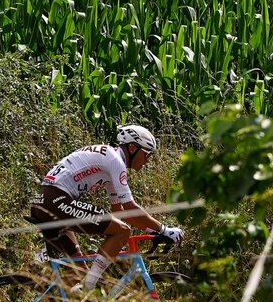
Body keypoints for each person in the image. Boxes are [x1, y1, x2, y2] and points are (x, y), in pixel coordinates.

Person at [27, 124, 184, 291]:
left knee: (79, 271)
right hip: (56, 201)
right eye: (147, 154)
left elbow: (121, 213)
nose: (148, 160)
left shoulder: (110, 162)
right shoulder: (115, 161)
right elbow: (130, 208)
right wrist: (164, 229)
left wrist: (148, 230)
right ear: (132, 148)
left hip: (47, 201)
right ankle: (88, 286)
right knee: (122, 231)